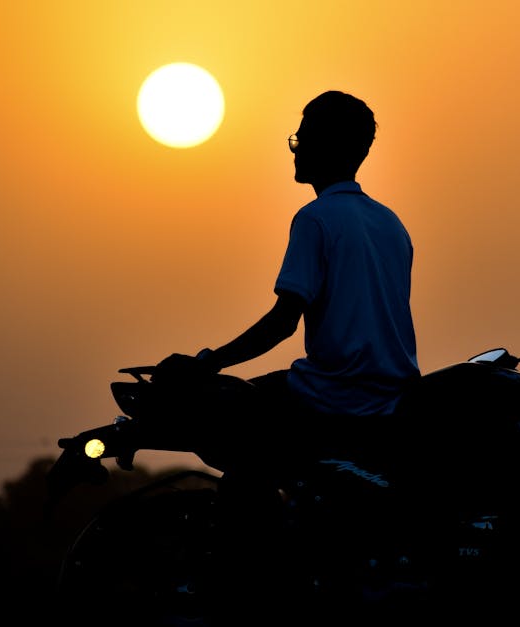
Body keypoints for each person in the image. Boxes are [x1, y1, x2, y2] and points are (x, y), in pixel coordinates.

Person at [157, 90, 420, 619]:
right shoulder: (392, 224)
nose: (295, 148)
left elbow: (283, 321)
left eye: (303, 137)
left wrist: (207, 362)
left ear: (326, 146)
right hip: (393, 398)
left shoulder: (315, 219)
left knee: (236, 430)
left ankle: (251, 583)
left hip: (332, 394)